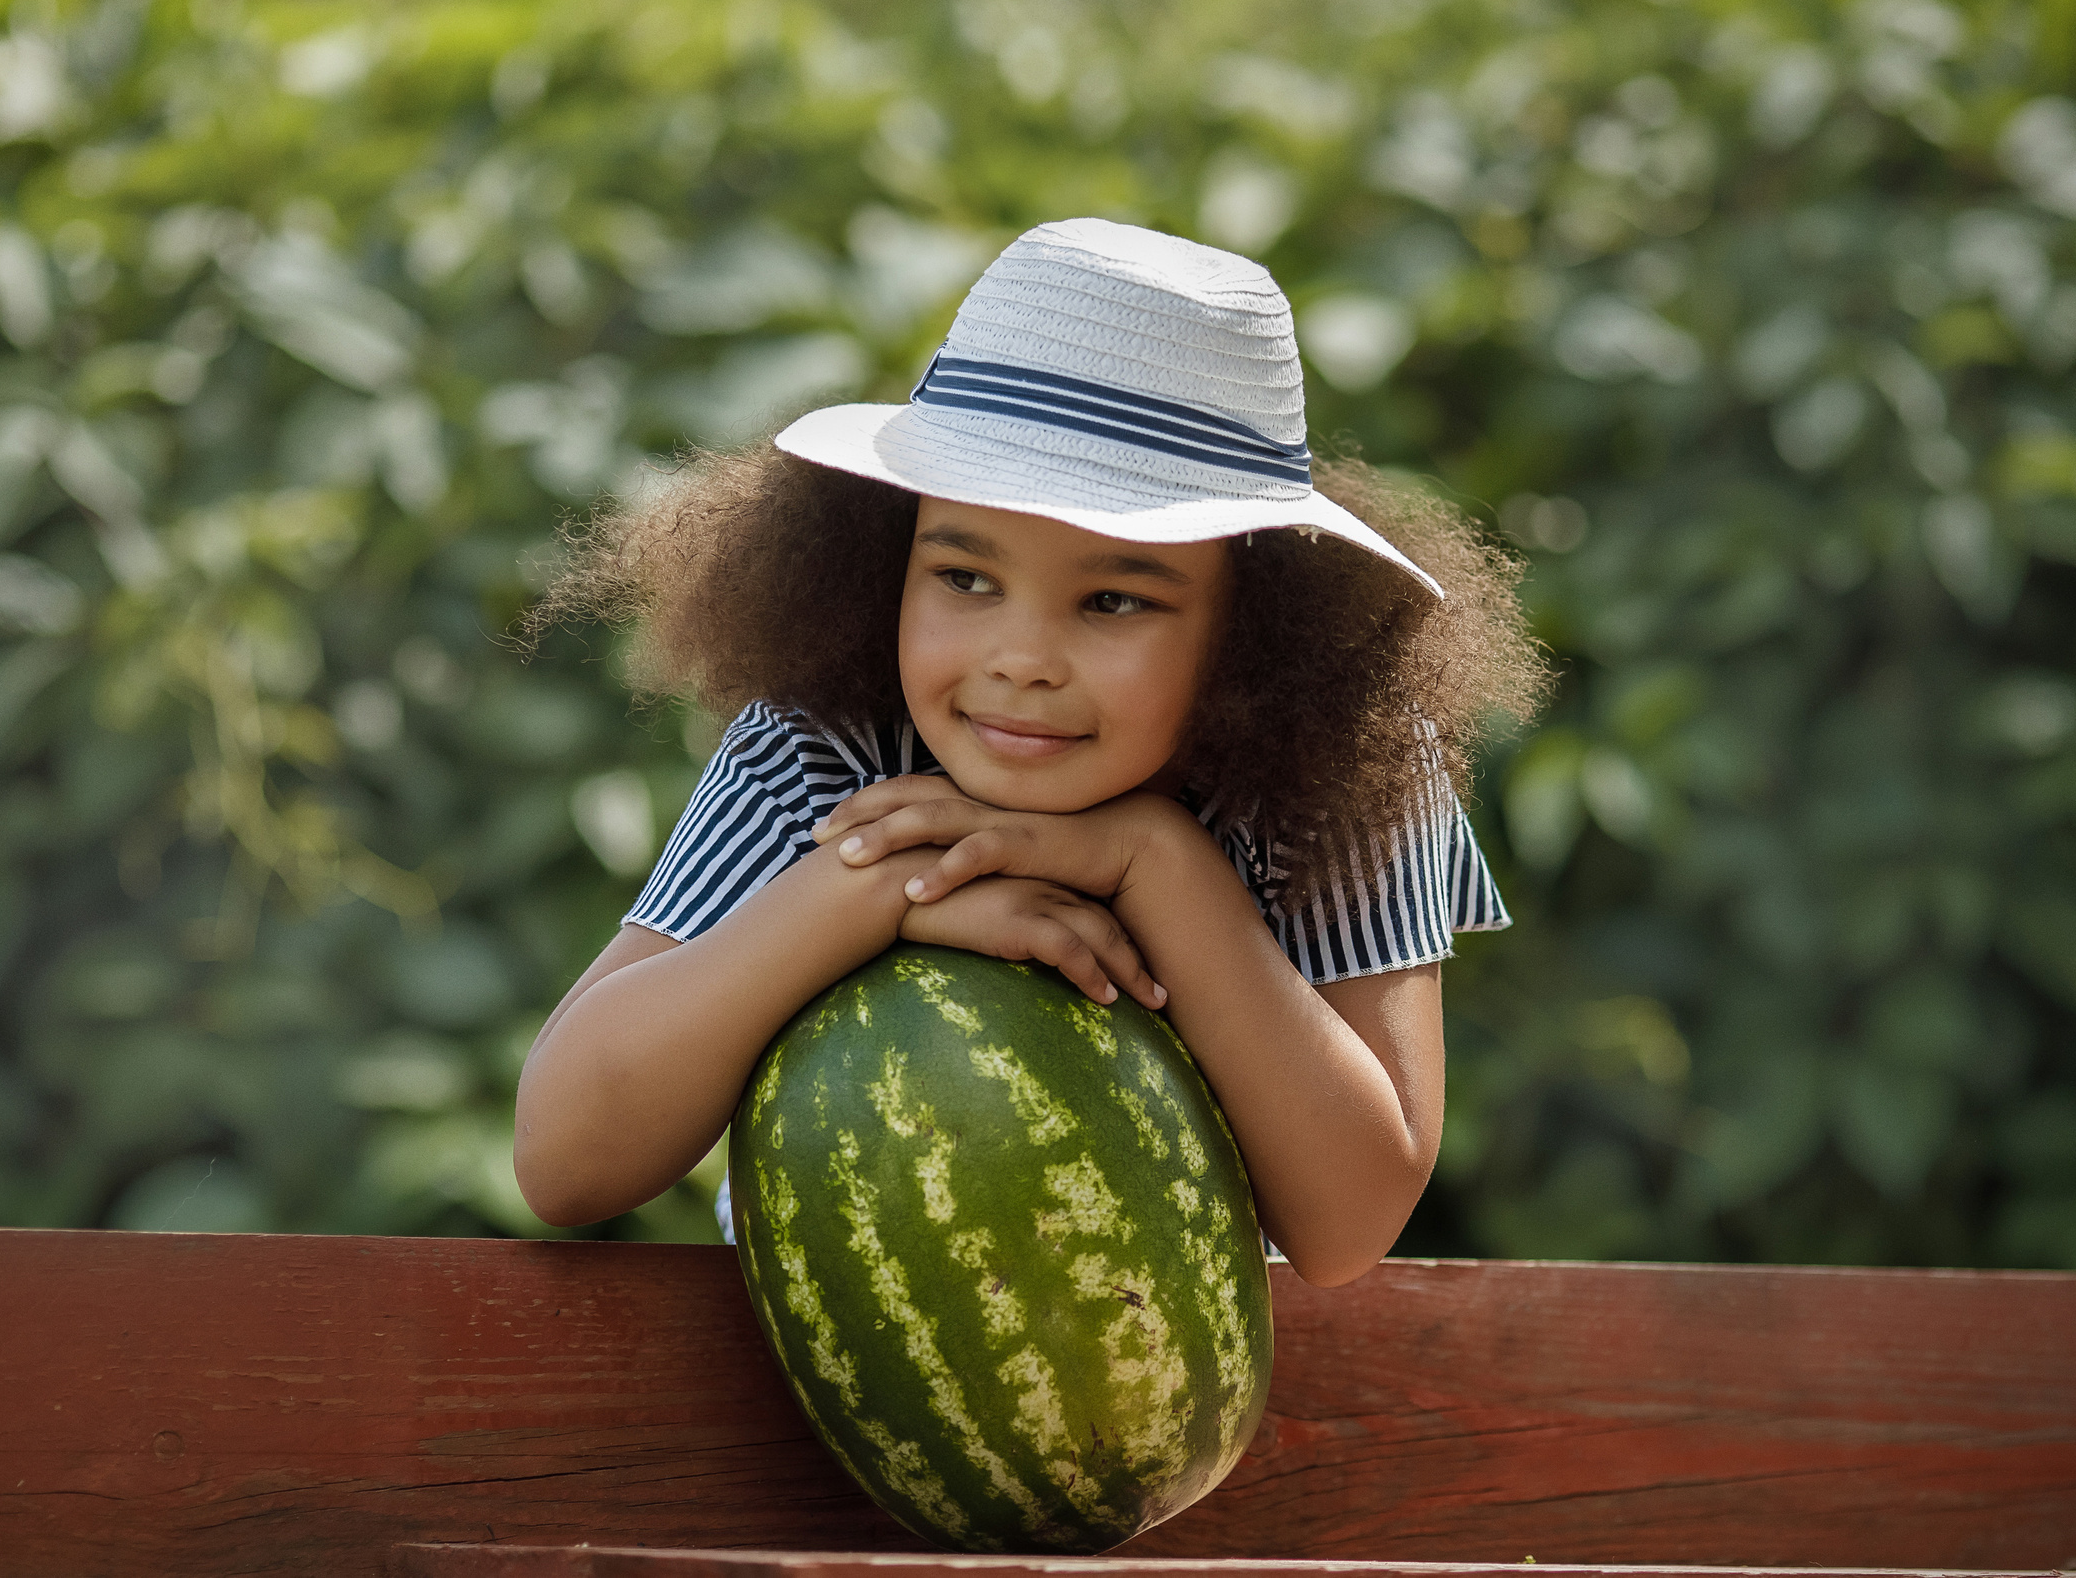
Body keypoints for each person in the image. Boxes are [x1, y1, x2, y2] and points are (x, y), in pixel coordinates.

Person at [513, 218, 1546, 1286]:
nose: (1020, 661)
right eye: (963, 578)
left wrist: (1154, 861)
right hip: (831, 1395)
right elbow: (563, 1160)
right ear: (886, 556)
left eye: (1111, 600)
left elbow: (1346, 1227)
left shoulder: (1346, 775)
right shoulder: (823, 742)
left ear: (1252, 624)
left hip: (1182, 1410)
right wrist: (872, 894)